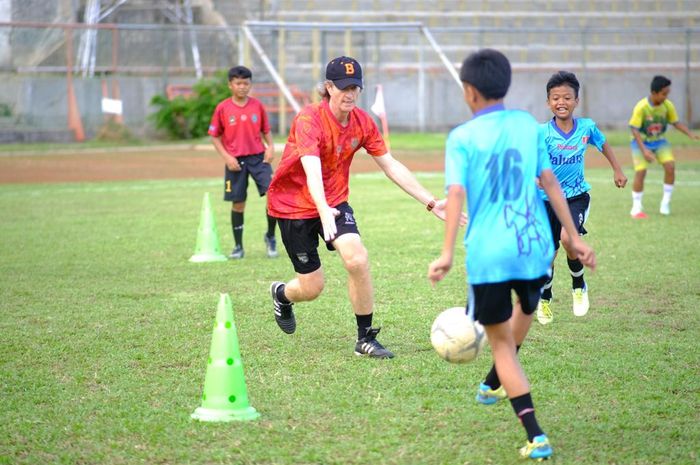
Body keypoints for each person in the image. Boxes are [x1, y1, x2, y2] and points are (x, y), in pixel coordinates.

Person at [427, 49, 596, 461]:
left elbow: (454, 194)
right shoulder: (525, 124)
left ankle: (535, 434)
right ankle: (493, 381)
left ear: (469, 92)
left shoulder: (461, 138)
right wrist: (572, 237)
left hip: (490, 254)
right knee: (526, 308)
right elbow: (551, 182)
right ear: (506, 85)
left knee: (500, 344)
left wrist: (447, 252)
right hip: (535, 246)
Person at [267, 56, 460, 359]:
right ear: (328, 87)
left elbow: (390, 165)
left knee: (357, 259)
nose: (350, 94)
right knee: (312, 287)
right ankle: (281, 294)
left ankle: (364, 338)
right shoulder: (309, 119)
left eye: (355, 87)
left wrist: (431, 202)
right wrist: (319, 206)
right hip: (293, 206)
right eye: (343, 88)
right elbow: (311, 167)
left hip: (334, 200)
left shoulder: (362, 122)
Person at [535, 71, 627, 325]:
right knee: (546, 255)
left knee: (569, 239)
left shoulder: (587, 127)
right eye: (555, 98)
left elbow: (604, 144)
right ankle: (545, 298)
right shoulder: (541, 132)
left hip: (575, 196)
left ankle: (579, 285)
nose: (561, 102)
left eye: (567, 97)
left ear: (576, 100)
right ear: (548, 102)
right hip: (544, 200)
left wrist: (617, 169)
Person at [208, 65, 278, 259]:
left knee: (274, 197)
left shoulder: (257, 106)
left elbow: (266, 130)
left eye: (246, 83)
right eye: (238, 83)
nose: (242, 87)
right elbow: (214, 136)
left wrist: (270, 147)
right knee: (238, 204)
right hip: (235, 161)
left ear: (250, 84)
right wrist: (227, 157)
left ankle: (271, 237)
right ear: (230, 85)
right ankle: (238, 246)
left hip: (258, 158)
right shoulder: (223, 108)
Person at [629, 75, 699, 218]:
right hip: (641, 142)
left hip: (660, 141)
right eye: (664, 94)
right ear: (654, 93)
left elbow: (675, 122)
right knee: (641, 172)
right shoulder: (641, 107)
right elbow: (634, 129)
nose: (666, 97)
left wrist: (690, 134)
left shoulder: (667, 106)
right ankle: (636, 207)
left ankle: (665, 203)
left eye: (667, 94)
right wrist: (645, 151)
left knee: (670, 167)